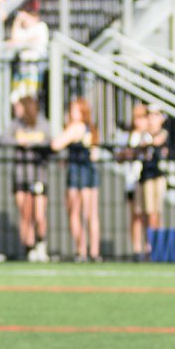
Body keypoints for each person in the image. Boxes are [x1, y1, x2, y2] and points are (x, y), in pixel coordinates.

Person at [0, 93, 54, 262]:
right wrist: (18, 142)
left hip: (38, 175)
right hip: (20, 175)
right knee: (24, 212)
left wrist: (31, 142)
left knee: (39, 214)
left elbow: (50, 142)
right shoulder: (16, 125)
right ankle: (28, 247)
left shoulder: (42, 124)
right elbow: (3, 138)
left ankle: (41, 244)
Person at [119, 104, 169, 260]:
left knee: (153, 214)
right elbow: (126, 153)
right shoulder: (139, 135)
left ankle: (153, 248)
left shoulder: (160, 134)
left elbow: (157, 141)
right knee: (138, 214)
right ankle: (139, 250)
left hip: (153, 177)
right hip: (140, 178)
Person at [58, 96, 101, 262]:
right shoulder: (91, 128)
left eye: (74, 110)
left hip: (78, 170)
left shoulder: (76, 127)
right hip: (88, 169)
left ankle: (81, 250)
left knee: (76, 212)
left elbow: (56, 144)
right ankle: (95, 252)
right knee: (91, 214)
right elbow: (95, 153)